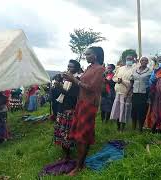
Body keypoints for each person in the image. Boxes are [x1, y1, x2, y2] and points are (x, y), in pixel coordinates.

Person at [62, 46, 104, 176]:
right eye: (85, 54)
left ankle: (79, 167)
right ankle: (80, 163)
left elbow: (92, 87)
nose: (86, 56)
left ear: (95, 55)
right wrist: (72, 80)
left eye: (88, 54)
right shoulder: (89, 68)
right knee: (79, 134)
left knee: (83, 136)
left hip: (89, 104)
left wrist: (75, 80)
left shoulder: (100, 69)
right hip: (81, 103)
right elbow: (82, 84)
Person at [53, 60, 81, 160]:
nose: (69, 68)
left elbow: (73, 96)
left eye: (71, 67)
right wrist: (58, 86)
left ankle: (68, 154)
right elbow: (62, 94)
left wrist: (61, 87)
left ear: (77, 68)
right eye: (68, 66)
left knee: (67, 132)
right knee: (61, 130)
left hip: (69, 109)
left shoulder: (77, 80)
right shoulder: (66, 80)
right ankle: (65, 152)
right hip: (62, 107)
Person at [110, 54, 136, 132]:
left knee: (124, 110)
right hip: (118, 91)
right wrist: (118, 80)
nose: (129, 60)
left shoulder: (134, 69)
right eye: (128, 59)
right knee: (117, 109)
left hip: (127, 93)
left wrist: (123, 81)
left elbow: (133, 82)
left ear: (133, 60)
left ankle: (123, 128)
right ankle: (118, 127)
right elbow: (114, 78)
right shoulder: (120, 68)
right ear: (125, 60)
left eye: (130, 59)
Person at [129, 57, 152, 132]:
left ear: (147, 62)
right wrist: (130, 91)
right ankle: (133, 127)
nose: (144, 61)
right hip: (135, 93)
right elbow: (132, 80)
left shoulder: (150, 71)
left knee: (142, 111)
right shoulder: (135, 70)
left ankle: (140, 129)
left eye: (146, 60)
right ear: (140, 61)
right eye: (142, 60)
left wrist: (149, 96)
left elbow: (151, 83)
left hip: (144, 94)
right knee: (134, 110)